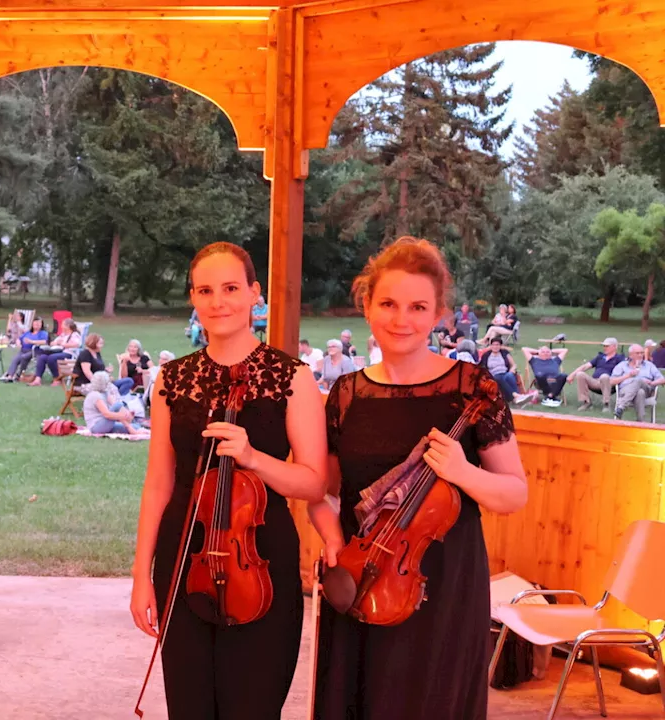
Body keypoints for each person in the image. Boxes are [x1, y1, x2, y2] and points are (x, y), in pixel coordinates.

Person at [307, 237, 527, 720]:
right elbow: (319, 491)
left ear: (438, 315)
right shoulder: (347, 394)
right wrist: (329, 539)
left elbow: (513, 493)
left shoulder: (473, 388)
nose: (400, 319)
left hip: (443, 587)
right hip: (361, 579)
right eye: (387, 303)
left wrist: (463, 471)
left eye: (417, 306)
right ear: (367, 306)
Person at [129, 242, 327, 719]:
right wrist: (140, 575)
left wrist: (254, 458)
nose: (219, 302)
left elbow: (313, 483)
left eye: (231, 288)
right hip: (183, 555)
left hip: (260, 559)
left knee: (252, 705)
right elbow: (159, 481)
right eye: (206, 290)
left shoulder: (292, 377)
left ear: (255, 294)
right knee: (189, 705)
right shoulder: (172, 379)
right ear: (193, 299)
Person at [567, 338, 625, 412]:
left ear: (615, 347)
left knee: (604, 376)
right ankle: (586, 402)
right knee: (580, 374)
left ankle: (606, 404)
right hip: (595, 382)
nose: (605, 348)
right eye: (604, 346)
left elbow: (626, 370)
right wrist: (572, 374)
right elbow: (586, 366)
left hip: (609, 383)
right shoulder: (600, 357)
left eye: (607, 346)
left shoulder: (619, 358)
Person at [610, 343, 665, 421]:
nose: (640, 355)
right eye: (637, 353)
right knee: (640, 392)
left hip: (647, 390)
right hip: (626, 390)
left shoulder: (649, 365)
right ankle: (640, 422)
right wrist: (628, 375)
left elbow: (662, 379)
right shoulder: (622, 365)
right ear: (630, 355)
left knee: (639, 381)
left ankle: (621, 406)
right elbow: (611, 382)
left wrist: (652, 383)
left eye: (642, 353)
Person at [83, 371, 146, 436]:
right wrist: (122, 416)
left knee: (136, 426)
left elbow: (115, 405)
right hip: (96, 426)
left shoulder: (105, 393)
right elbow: (107, 414)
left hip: (107, 423)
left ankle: (131, 425)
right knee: (118, 406)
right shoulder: (95, 395)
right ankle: (130, 429)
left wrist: (127, 413)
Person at [478, 336, 536, 406]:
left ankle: (517, 397)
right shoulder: (486, 355)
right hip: (493, 376)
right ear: (490, 346)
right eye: (493, 345)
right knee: (498, 378)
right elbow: (482, 368)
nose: (495, 347)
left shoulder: (504, 353)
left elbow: (514, 365)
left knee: (510, 376)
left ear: (501, 346)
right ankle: (517, 397)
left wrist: (512, 370)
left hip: (505, 373)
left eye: (497, 345)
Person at [30, 318, 83, 386]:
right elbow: (53, 343)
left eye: (63, 324)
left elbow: (77, 344)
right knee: (42, 357)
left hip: (69, 354)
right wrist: (56, 343)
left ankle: (57, 379)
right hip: (59, 352)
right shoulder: (63, 334)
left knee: (51, 358)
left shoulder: (74, 334)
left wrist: (62, 344)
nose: (61, 326)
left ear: (68, 326)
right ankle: (37, 380)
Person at [4, 315, 48, 381]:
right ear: (32, 324)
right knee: (15, 359)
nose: (37, 325)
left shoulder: (43, 333)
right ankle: (10, 376)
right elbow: (19, 338)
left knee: (23, 357)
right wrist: (18, 342)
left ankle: (19, 374)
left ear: (41, 325)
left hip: (34, 351)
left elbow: (44, 341)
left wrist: (31, 341)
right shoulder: (28, 332)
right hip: (23, 350)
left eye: (39, 323)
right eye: (35, 323)